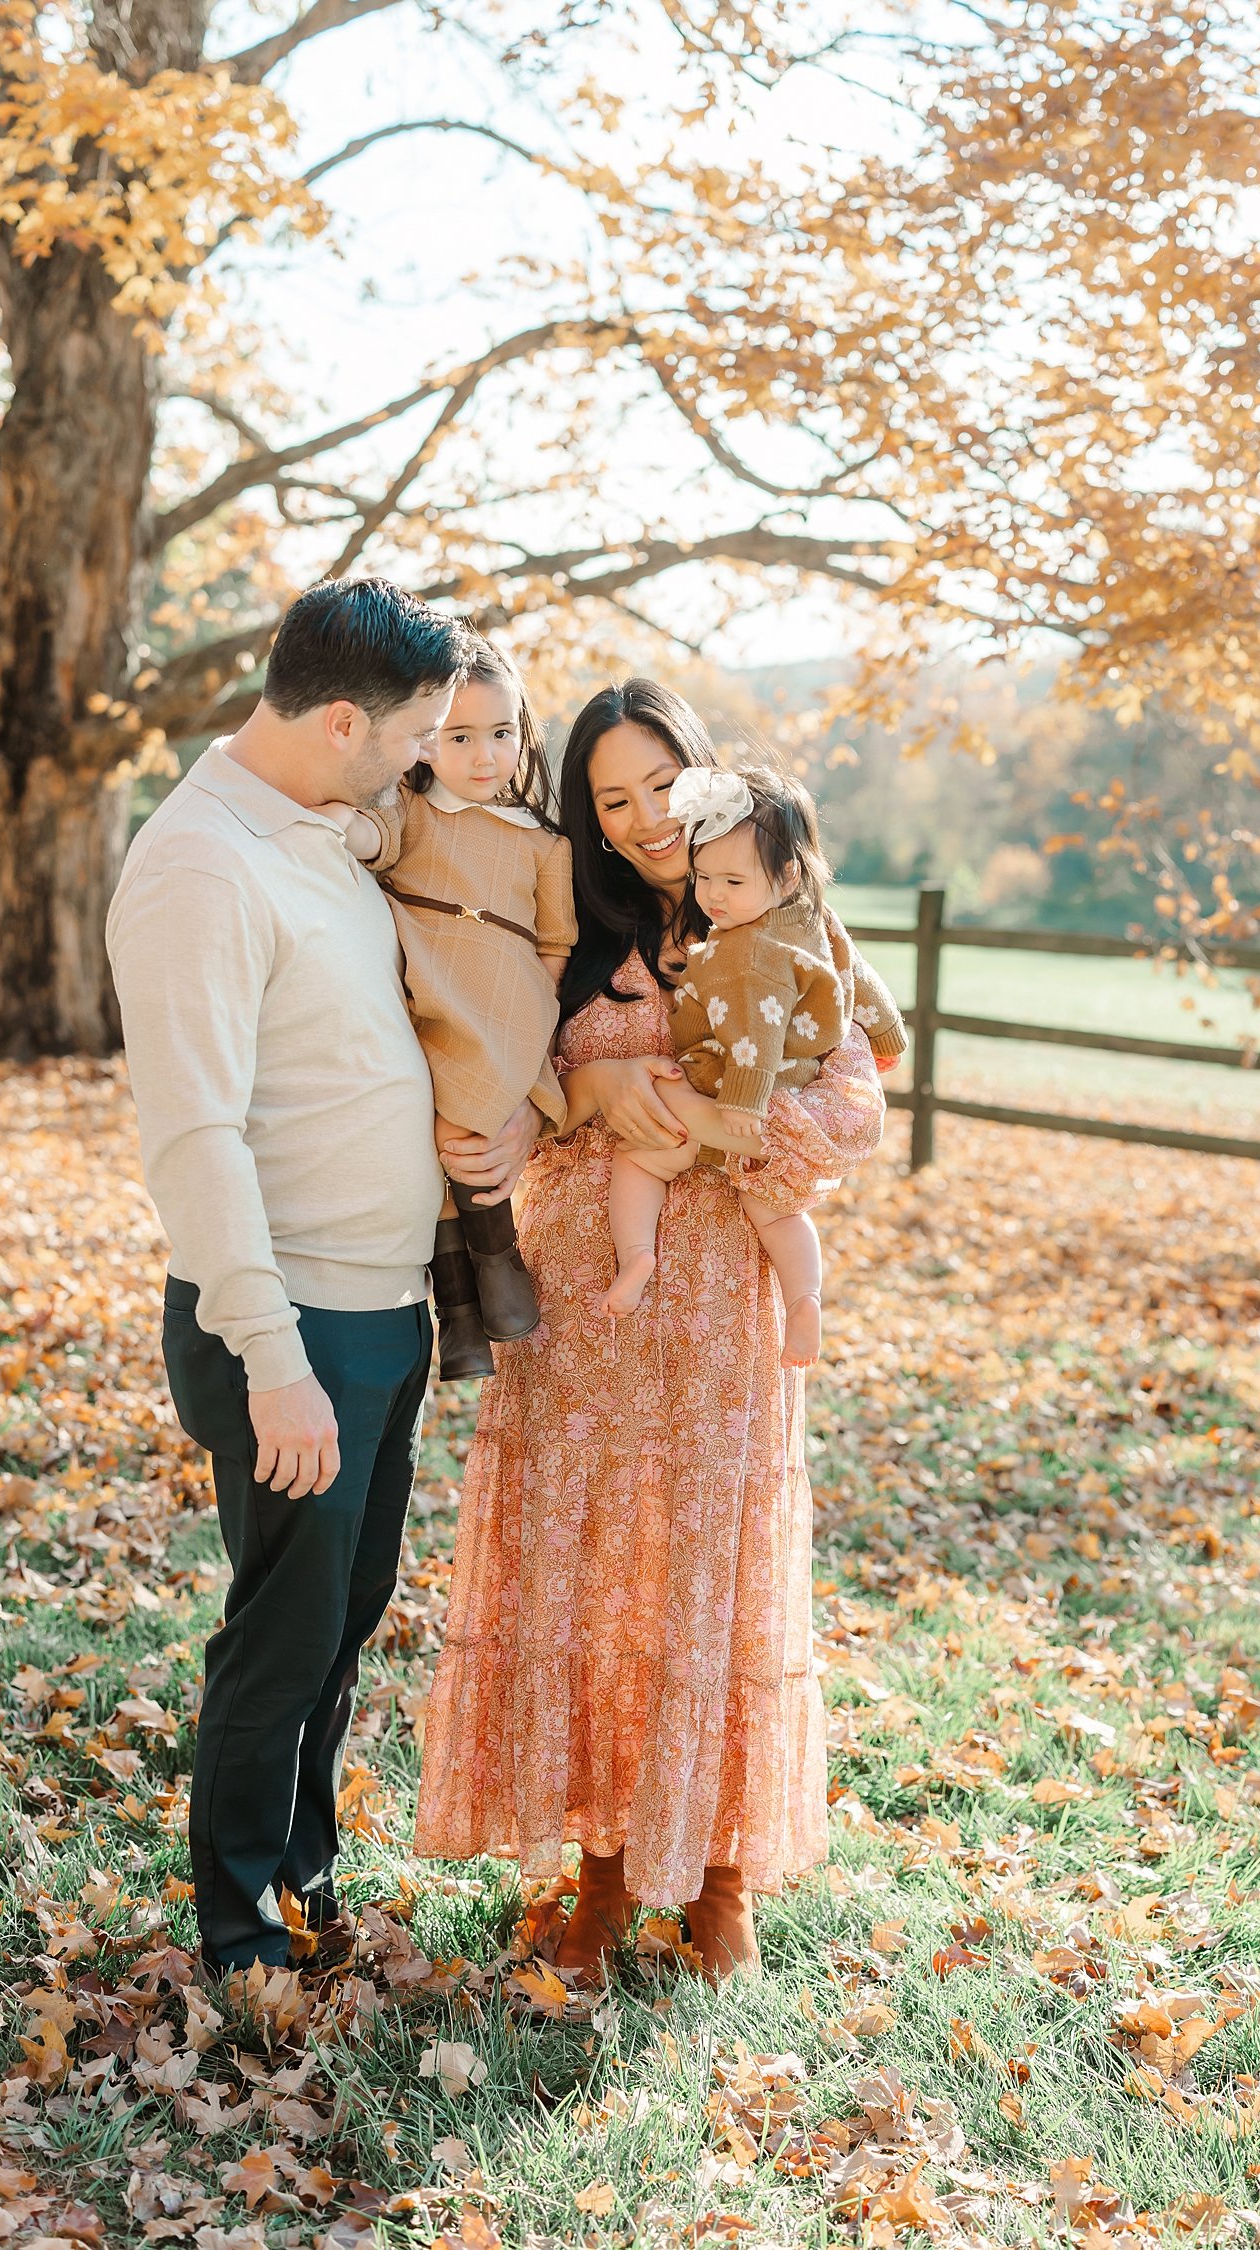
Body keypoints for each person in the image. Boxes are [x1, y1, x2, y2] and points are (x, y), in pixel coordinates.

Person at [415, 678, 888, 1981]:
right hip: (589, 1293)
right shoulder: (570, 921)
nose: (643, 820)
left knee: (709, 1570)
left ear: (705, 769)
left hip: (723, 1287)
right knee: (593, 1572)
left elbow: (858, 1097)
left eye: (660, 784)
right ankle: (607, 1869)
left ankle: (721, 1873)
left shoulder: (780, 901)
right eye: (610, 800)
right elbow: (512, 1073)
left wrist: (730, 1137)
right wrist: (587, 1087)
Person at [106, 578, 474, 1974]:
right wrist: (275, 1361)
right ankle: (238, 1917)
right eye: (415, 731)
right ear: (338, 719)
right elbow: (194, 1135)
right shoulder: (203, 866)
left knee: (344, 1617)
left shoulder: (323, 827)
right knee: (283, 1632)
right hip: (292, 1326)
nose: (425, 756)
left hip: (380, 1310)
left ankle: (307, 1870)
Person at [605, 762, 905, 1371]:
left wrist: (739, 1103)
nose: (713, 896)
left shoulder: (747, 951)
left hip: (729, 1089)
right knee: (776, 1211)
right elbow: (858, 978)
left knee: (638, 1160)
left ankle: (636, 1252)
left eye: (732, 881)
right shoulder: (816, 920)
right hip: (788, 1090)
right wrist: (887, 1034)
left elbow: (755, 1034)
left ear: (786, 872)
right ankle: (804, 1297)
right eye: (705, 877)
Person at [333, 632, 575, 1379]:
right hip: (428, 996)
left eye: (501, 735)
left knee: (472, 1109)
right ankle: (462, 1306)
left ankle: (491, 1270)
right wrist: (344, 823)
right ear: (428, 743)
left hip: (507, 1001)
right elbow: (372, 840)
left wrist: (533, 1012)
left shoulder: (543, 842)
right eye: (460, 736)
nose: (484, 757)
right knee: (439, 1125)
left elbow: (556, 943)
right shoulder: (414, 811)